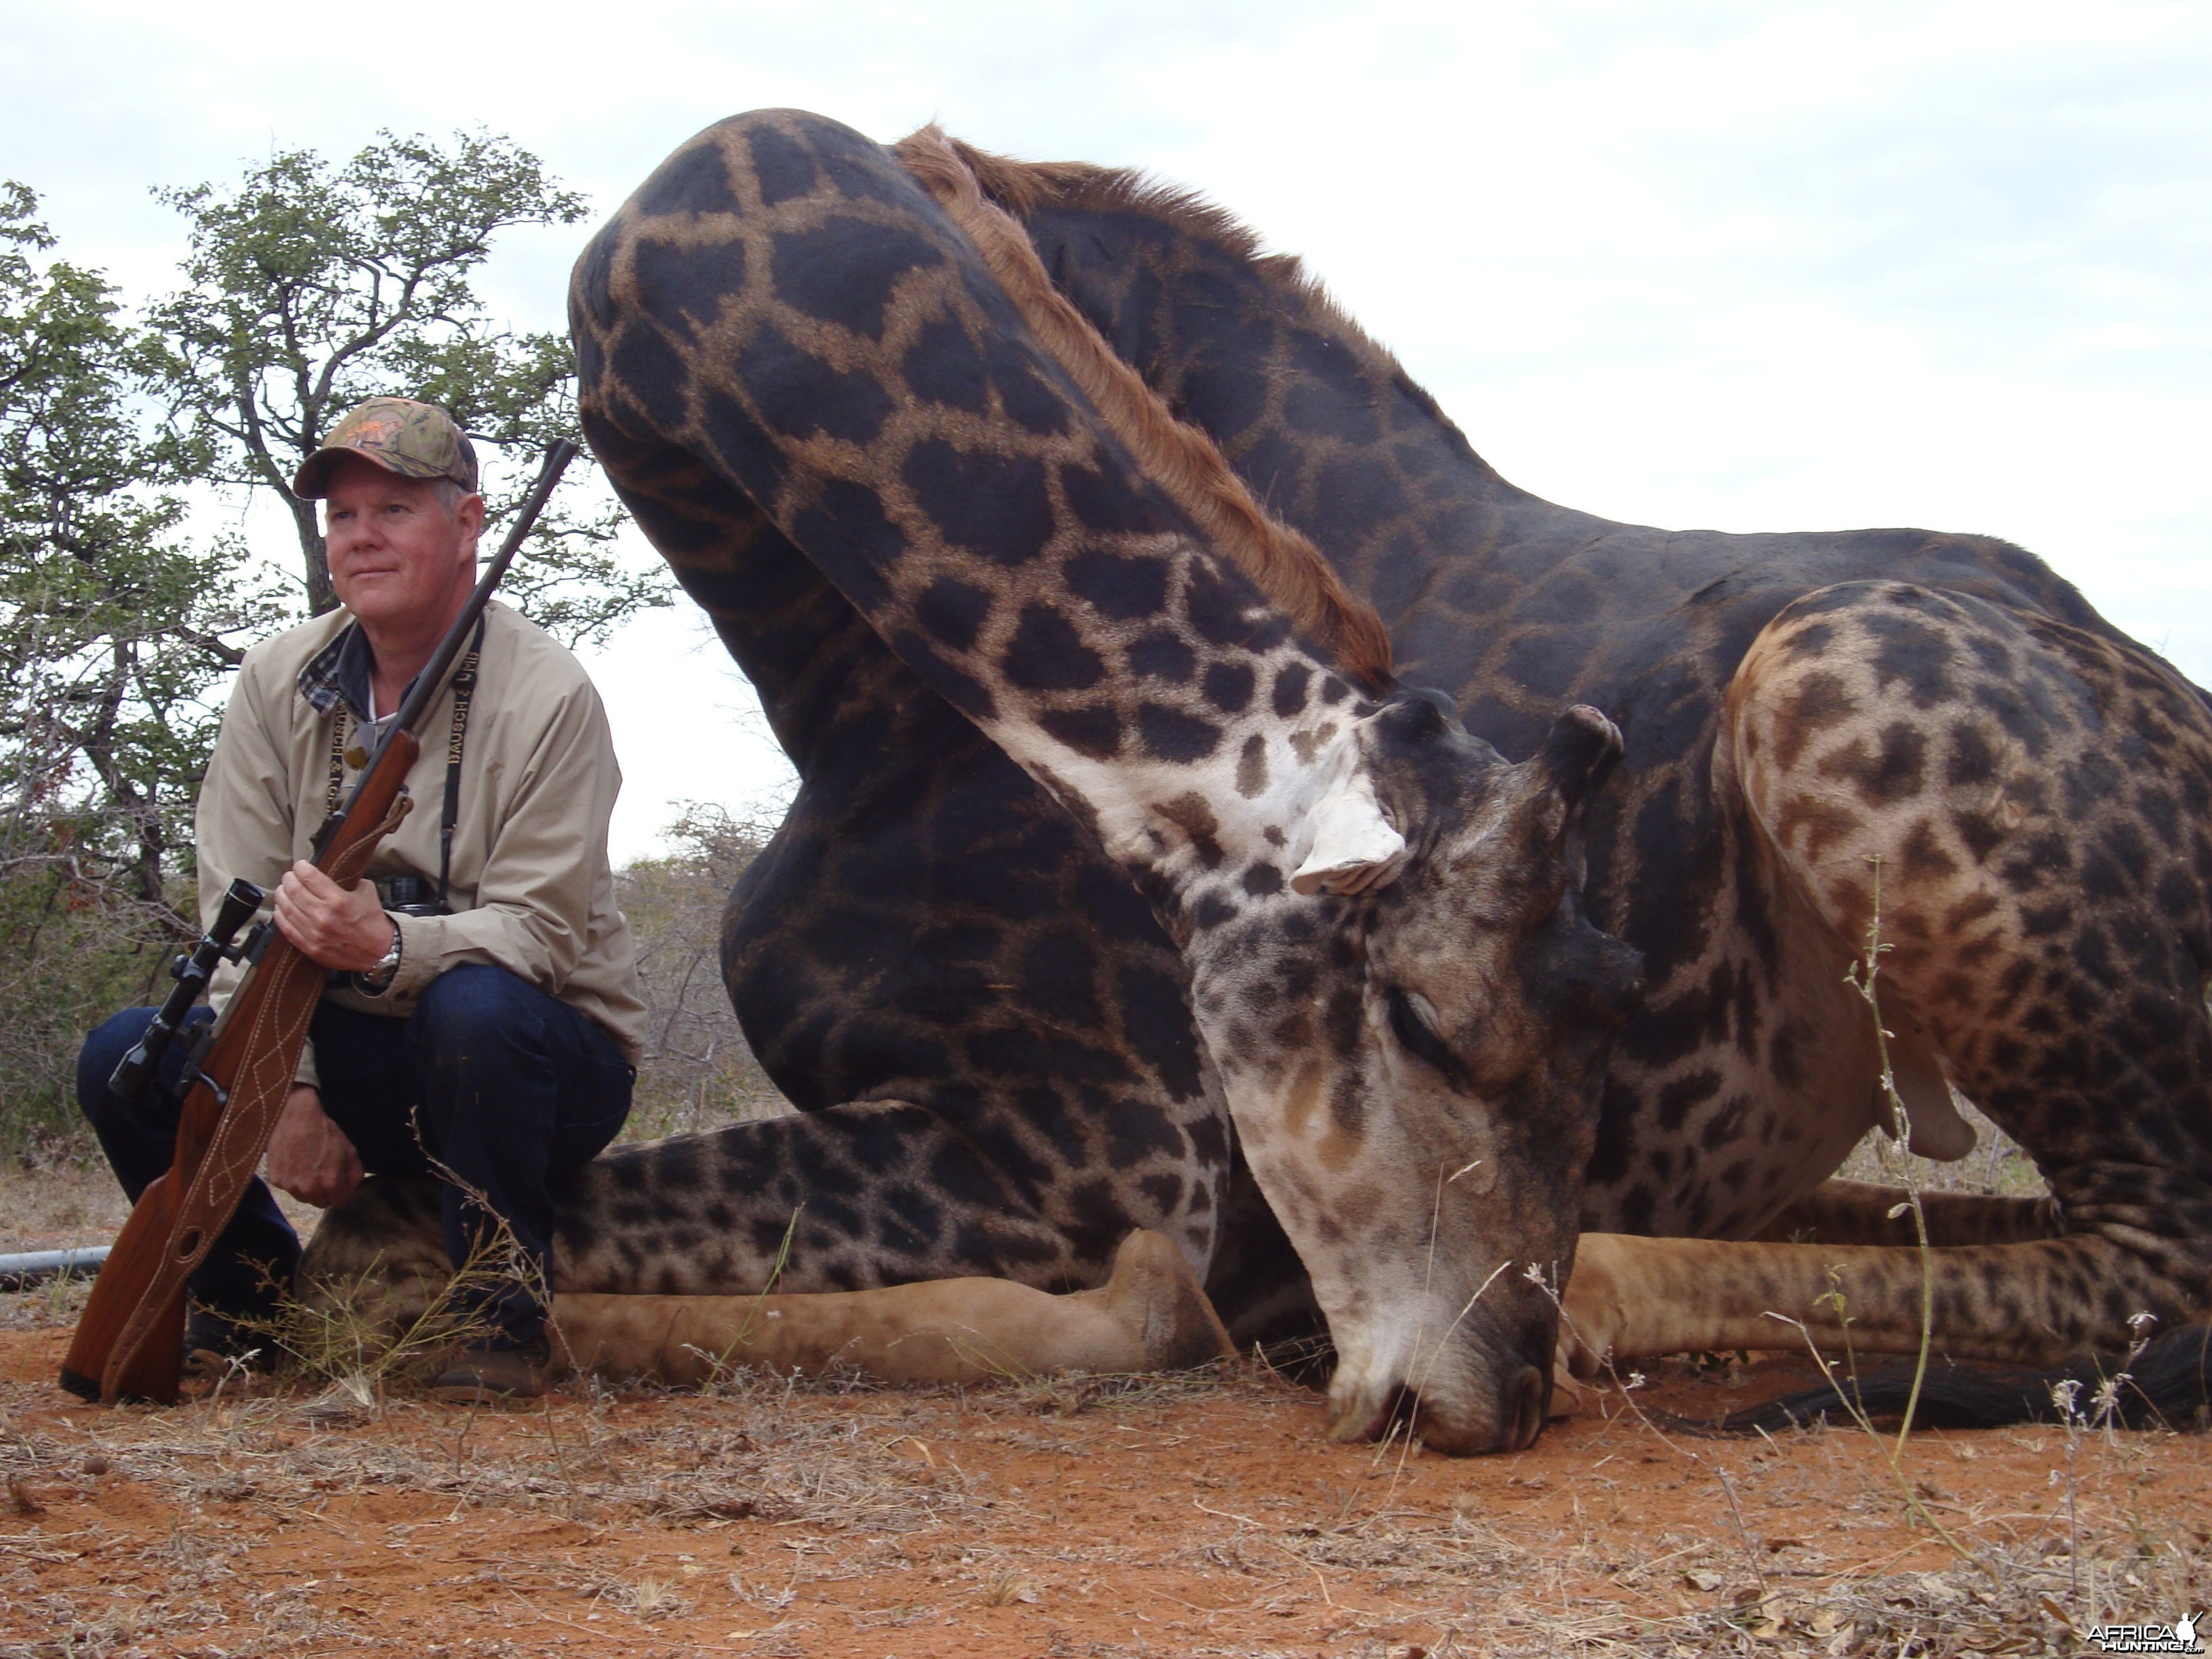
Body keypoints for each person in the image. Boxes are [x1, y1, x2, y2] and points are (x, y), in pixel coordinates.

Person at [77, 396, 648, 1401]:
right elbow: (242, 906)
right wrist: (285, 1087)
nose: (362, 538)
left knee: (475, 1009)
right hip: (337, 1048)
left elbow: (542, 935)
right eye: (342, 517)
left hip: (528, 1066)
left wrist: (388, 949)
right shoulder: (274, 676)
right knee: (132, 1054)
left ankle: (497, 1323)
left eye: (393, 510)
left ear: (467, 524)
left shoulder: (553, 694)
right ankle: (250, 1306)